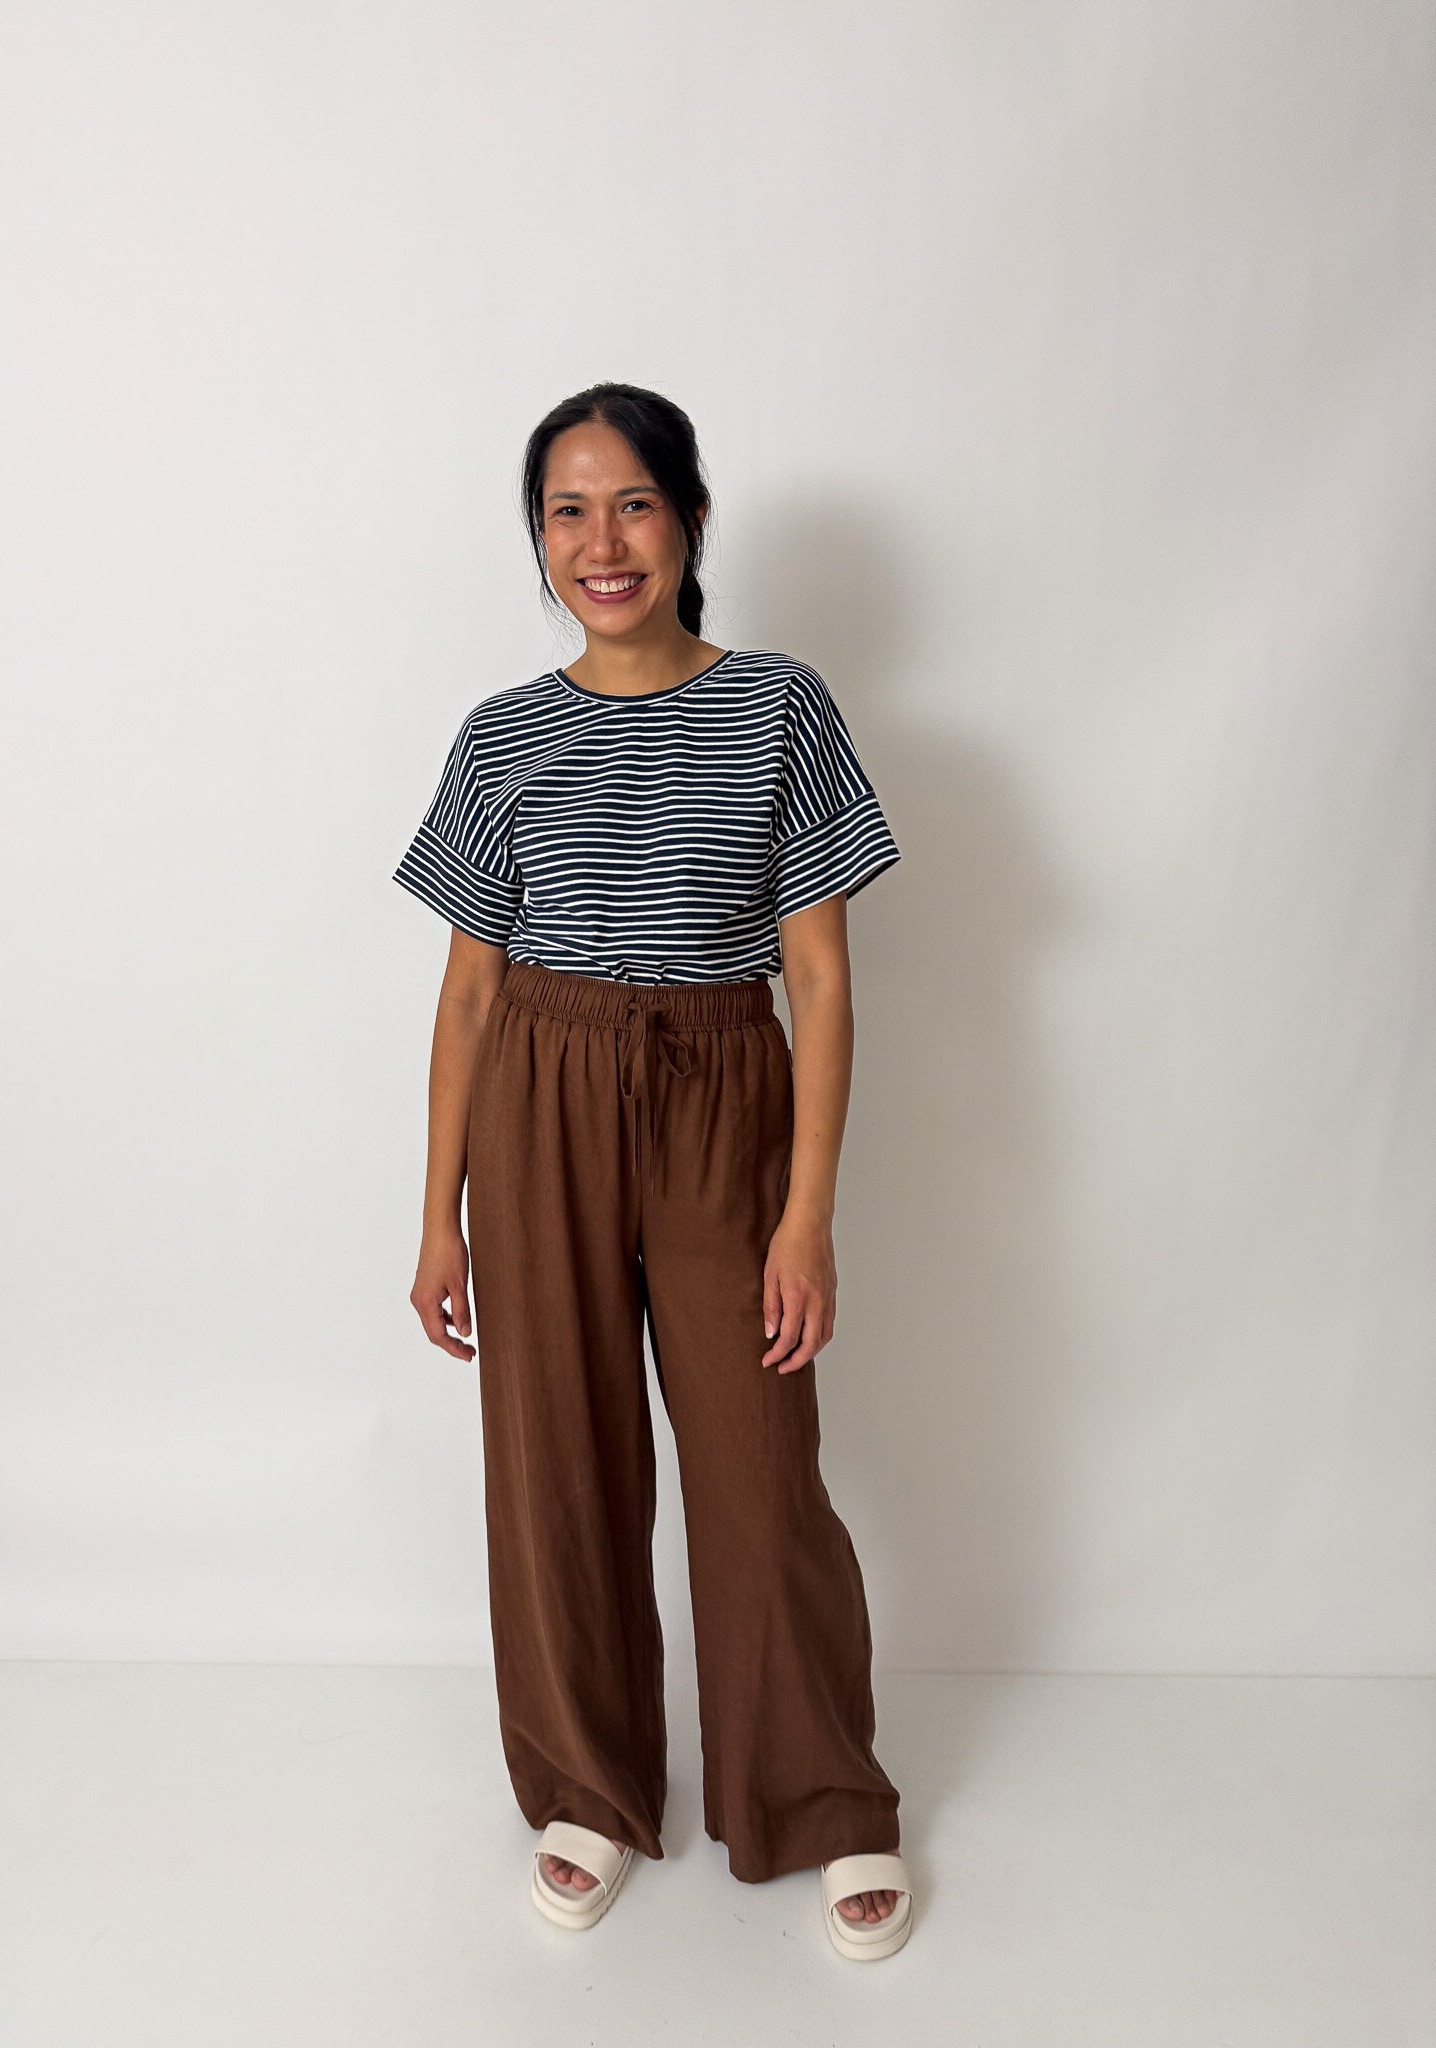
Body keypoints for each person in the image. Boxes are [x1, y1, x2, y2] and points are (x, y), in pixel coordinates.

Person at [392, 382, 913, 1962]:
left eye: (632, 503)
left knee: (759, 1466)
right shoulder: (501, 733)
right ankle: (589, 1791)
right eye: (567, 510)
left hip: (718, 1089)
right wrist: (437, 1216)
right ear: (538, 537)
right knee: (556, 1456)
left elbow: (819, 979)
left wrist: (807, 1213)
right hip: (537, 1095)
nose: (600, 542)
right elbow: (468, 993)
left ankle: (815, 1793)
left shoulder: (780, 707)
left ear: (687, 517)